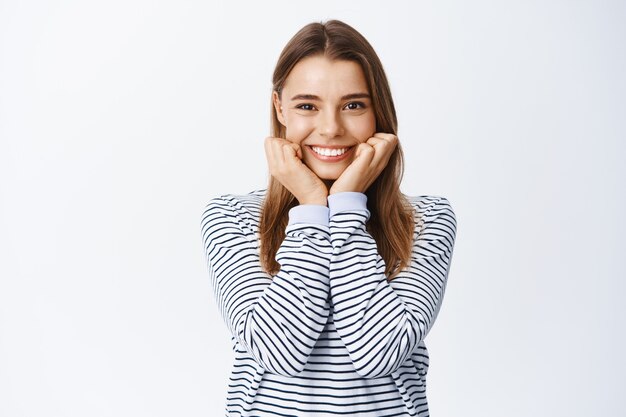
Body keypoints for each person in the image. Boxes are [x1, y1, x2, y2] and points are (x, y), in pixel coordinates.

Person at [201, 19, 457, 417]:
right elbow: (278, 353)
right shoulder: (232, 218)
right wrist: (311, 206)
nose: (331, 128)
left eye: (353, 105)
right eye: (307, 106)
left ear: (378, 112)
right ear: (279, 108)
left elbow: (380, 352)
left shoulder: (426, 220)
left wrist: (347, 204)